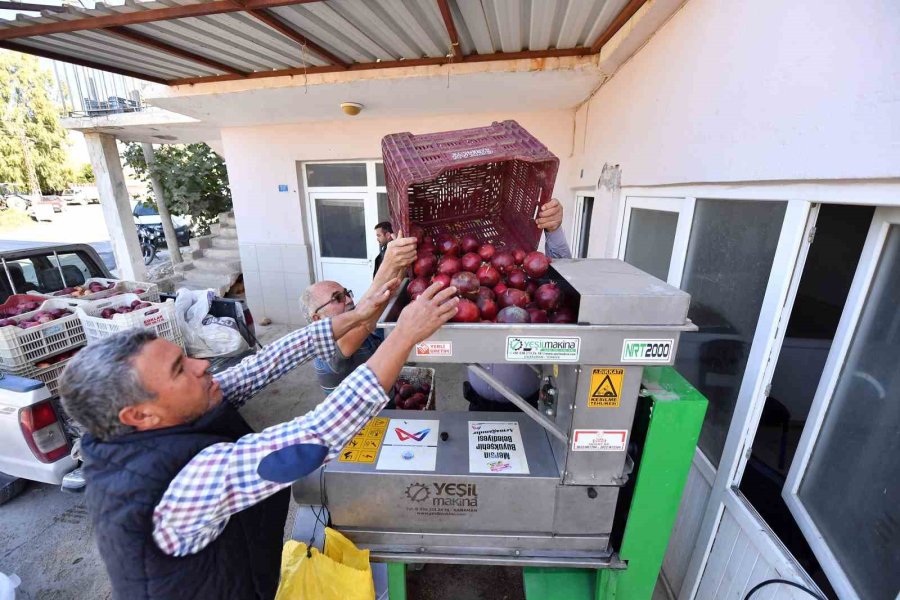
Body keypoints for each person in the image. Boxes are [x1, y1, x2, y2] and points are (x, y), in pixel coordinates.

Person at [59, 279, 459, 600]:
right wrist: (403, 336)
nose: (202, 365)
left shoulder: (154, 422)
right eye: (180, 369)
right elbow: (315, 435)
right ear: (140, 414)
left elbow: (264, 363)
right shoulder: (178, 483)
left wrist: (360, 314)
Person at [464, 198, 572, 411]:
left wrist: (554, 230)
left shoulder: (528, 278)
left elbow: (563, 276)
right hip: (477, 402)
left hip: (528, 407)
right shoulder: (475, 278)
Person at [301, 235, 417, 395]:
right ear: (317, 318)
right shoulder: (324, 351)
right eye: (337, 298)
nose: (349, 299)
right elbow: (365, 320)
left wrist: (401, 265)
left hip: (384, 406)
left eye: (346, 293)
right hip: (359, 419)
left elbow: (380, 303)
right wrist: (389, 263)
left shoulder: (360, 330)